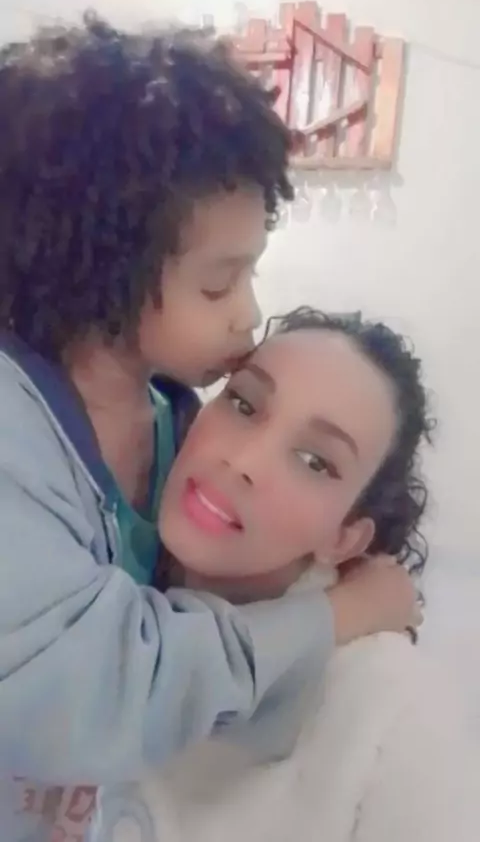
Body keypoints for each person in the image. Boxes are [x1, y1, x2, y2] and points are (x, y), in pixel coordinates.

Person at [0, 16, 418, 842]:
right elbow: (96, 691)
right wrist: (334, 618)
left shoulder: (180, 428)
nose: (249, 316)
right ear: (104, 276)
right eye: (220, 285)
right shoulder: (14, 433)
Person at [103, 309, 479, 842]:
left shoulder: (393, 711)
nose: (243, 461)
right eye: (243, 404)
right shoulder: (86, 586)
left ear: (343, 538)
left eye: (314, 461)